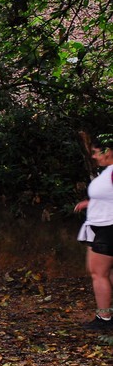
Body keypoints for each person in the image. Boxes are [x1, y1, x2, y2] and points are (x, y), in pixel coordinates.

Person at [75, 134, 113, 330]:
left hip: (108, 227)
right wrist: (90, 203)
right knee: (103, 273)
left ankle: (105, 319)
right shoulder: (107, 172)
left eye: (96, 153)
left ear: (108, 151)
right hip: (101, 226)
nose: (94, 157)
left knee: (99, 273)